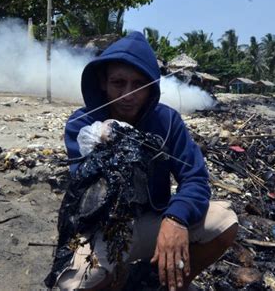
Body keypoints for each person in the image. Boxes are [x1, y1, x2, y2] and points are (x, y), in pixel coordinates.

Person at [54, 32, 238, 290]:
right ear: (103, 82)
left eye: (138, 85)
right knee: (74, 284)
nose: (128, 95)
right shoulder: (83, 124)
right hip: (102, 228)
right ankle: (121, 276)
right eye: (118, 83)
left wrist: (176, 219)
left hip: (154, 219)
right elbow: (83, 185)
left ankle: (162, 281)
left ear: (151, 86)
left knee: (224, 220)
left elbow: (195, 178)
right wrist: (104, 145)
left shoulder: (168, 121)